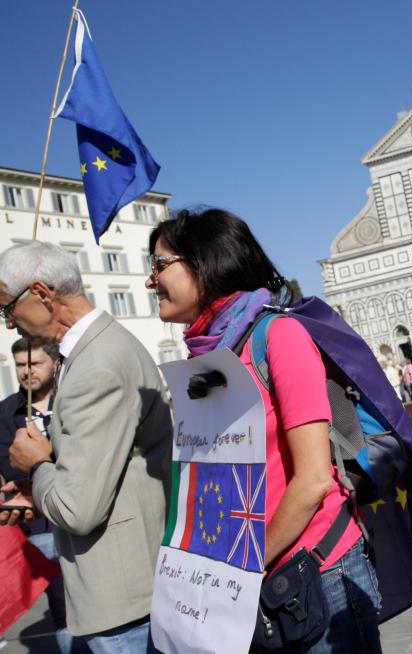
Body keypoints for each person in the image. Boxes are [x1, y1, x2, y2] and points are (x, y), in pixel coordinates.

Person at [146, 207, 381, 653]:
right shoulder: (206, 360)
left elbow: (312, 481)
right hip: (251, 583)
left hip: (317, 573)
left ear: (205, 261)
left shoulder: (278, 335)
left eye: (159, 265)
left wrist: (243, 567)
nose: (149, 280)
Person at [0, 241, 171, 653]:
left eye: (7, 309)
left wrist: (37, 465)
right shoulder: (99, 349)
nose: (8, 324)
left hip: (121, 598)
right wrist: (40, 492)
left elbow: (79, 510)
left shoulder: (94, 365)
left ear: (41, 294)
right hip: (134, 589)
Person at [0, 338, 90, 654]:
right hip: (40, 528)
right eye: (21, 365)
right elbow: (9, 468)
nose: (27, 371)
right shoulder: (5, 412)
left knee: (100, 599)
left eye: (35, 364)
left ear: (54, 363)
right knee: (64, 609)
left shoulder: (74, 404)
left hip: (86, 517)